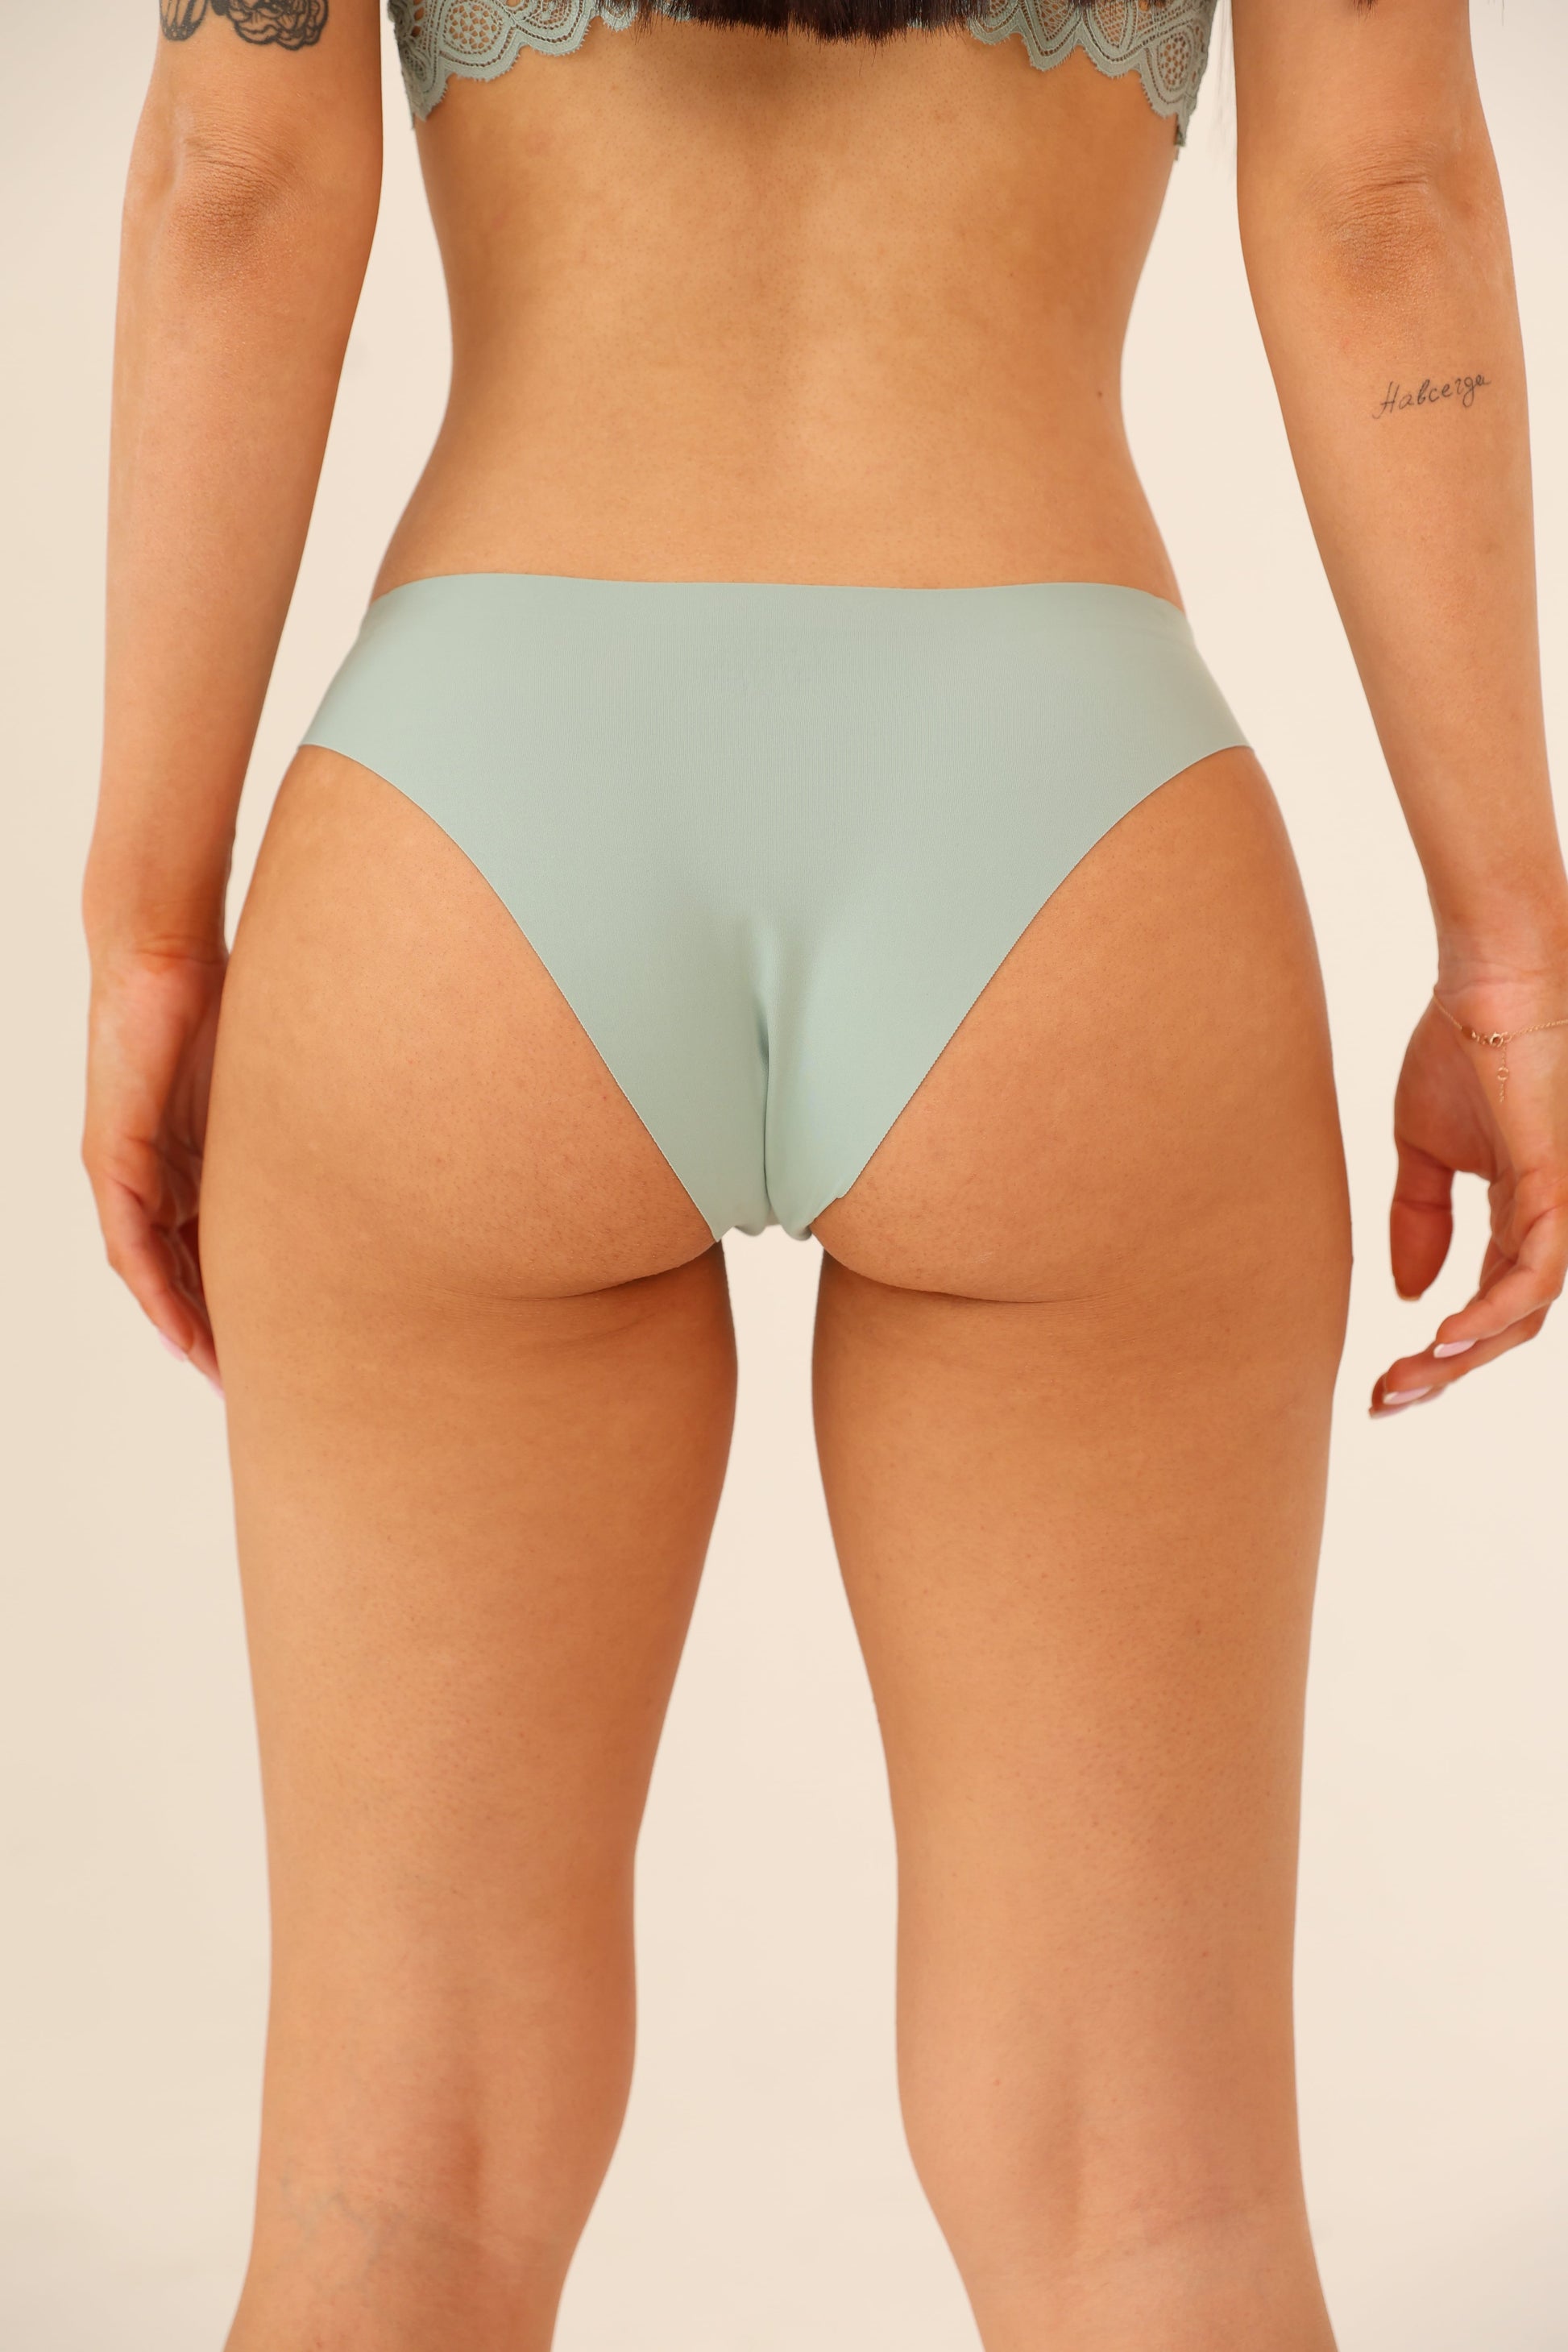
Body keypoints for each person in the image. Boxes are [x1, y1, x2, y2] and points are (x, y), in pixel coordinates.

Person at [81, 0, 1567, 2343]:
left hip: (474, 821)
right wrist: (1505, 946)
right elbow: (1382, 203)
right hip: (1066, 812)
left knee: (400, 2189)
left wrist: (152, 930)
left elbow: (231, 183)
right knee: (1149, 2207)